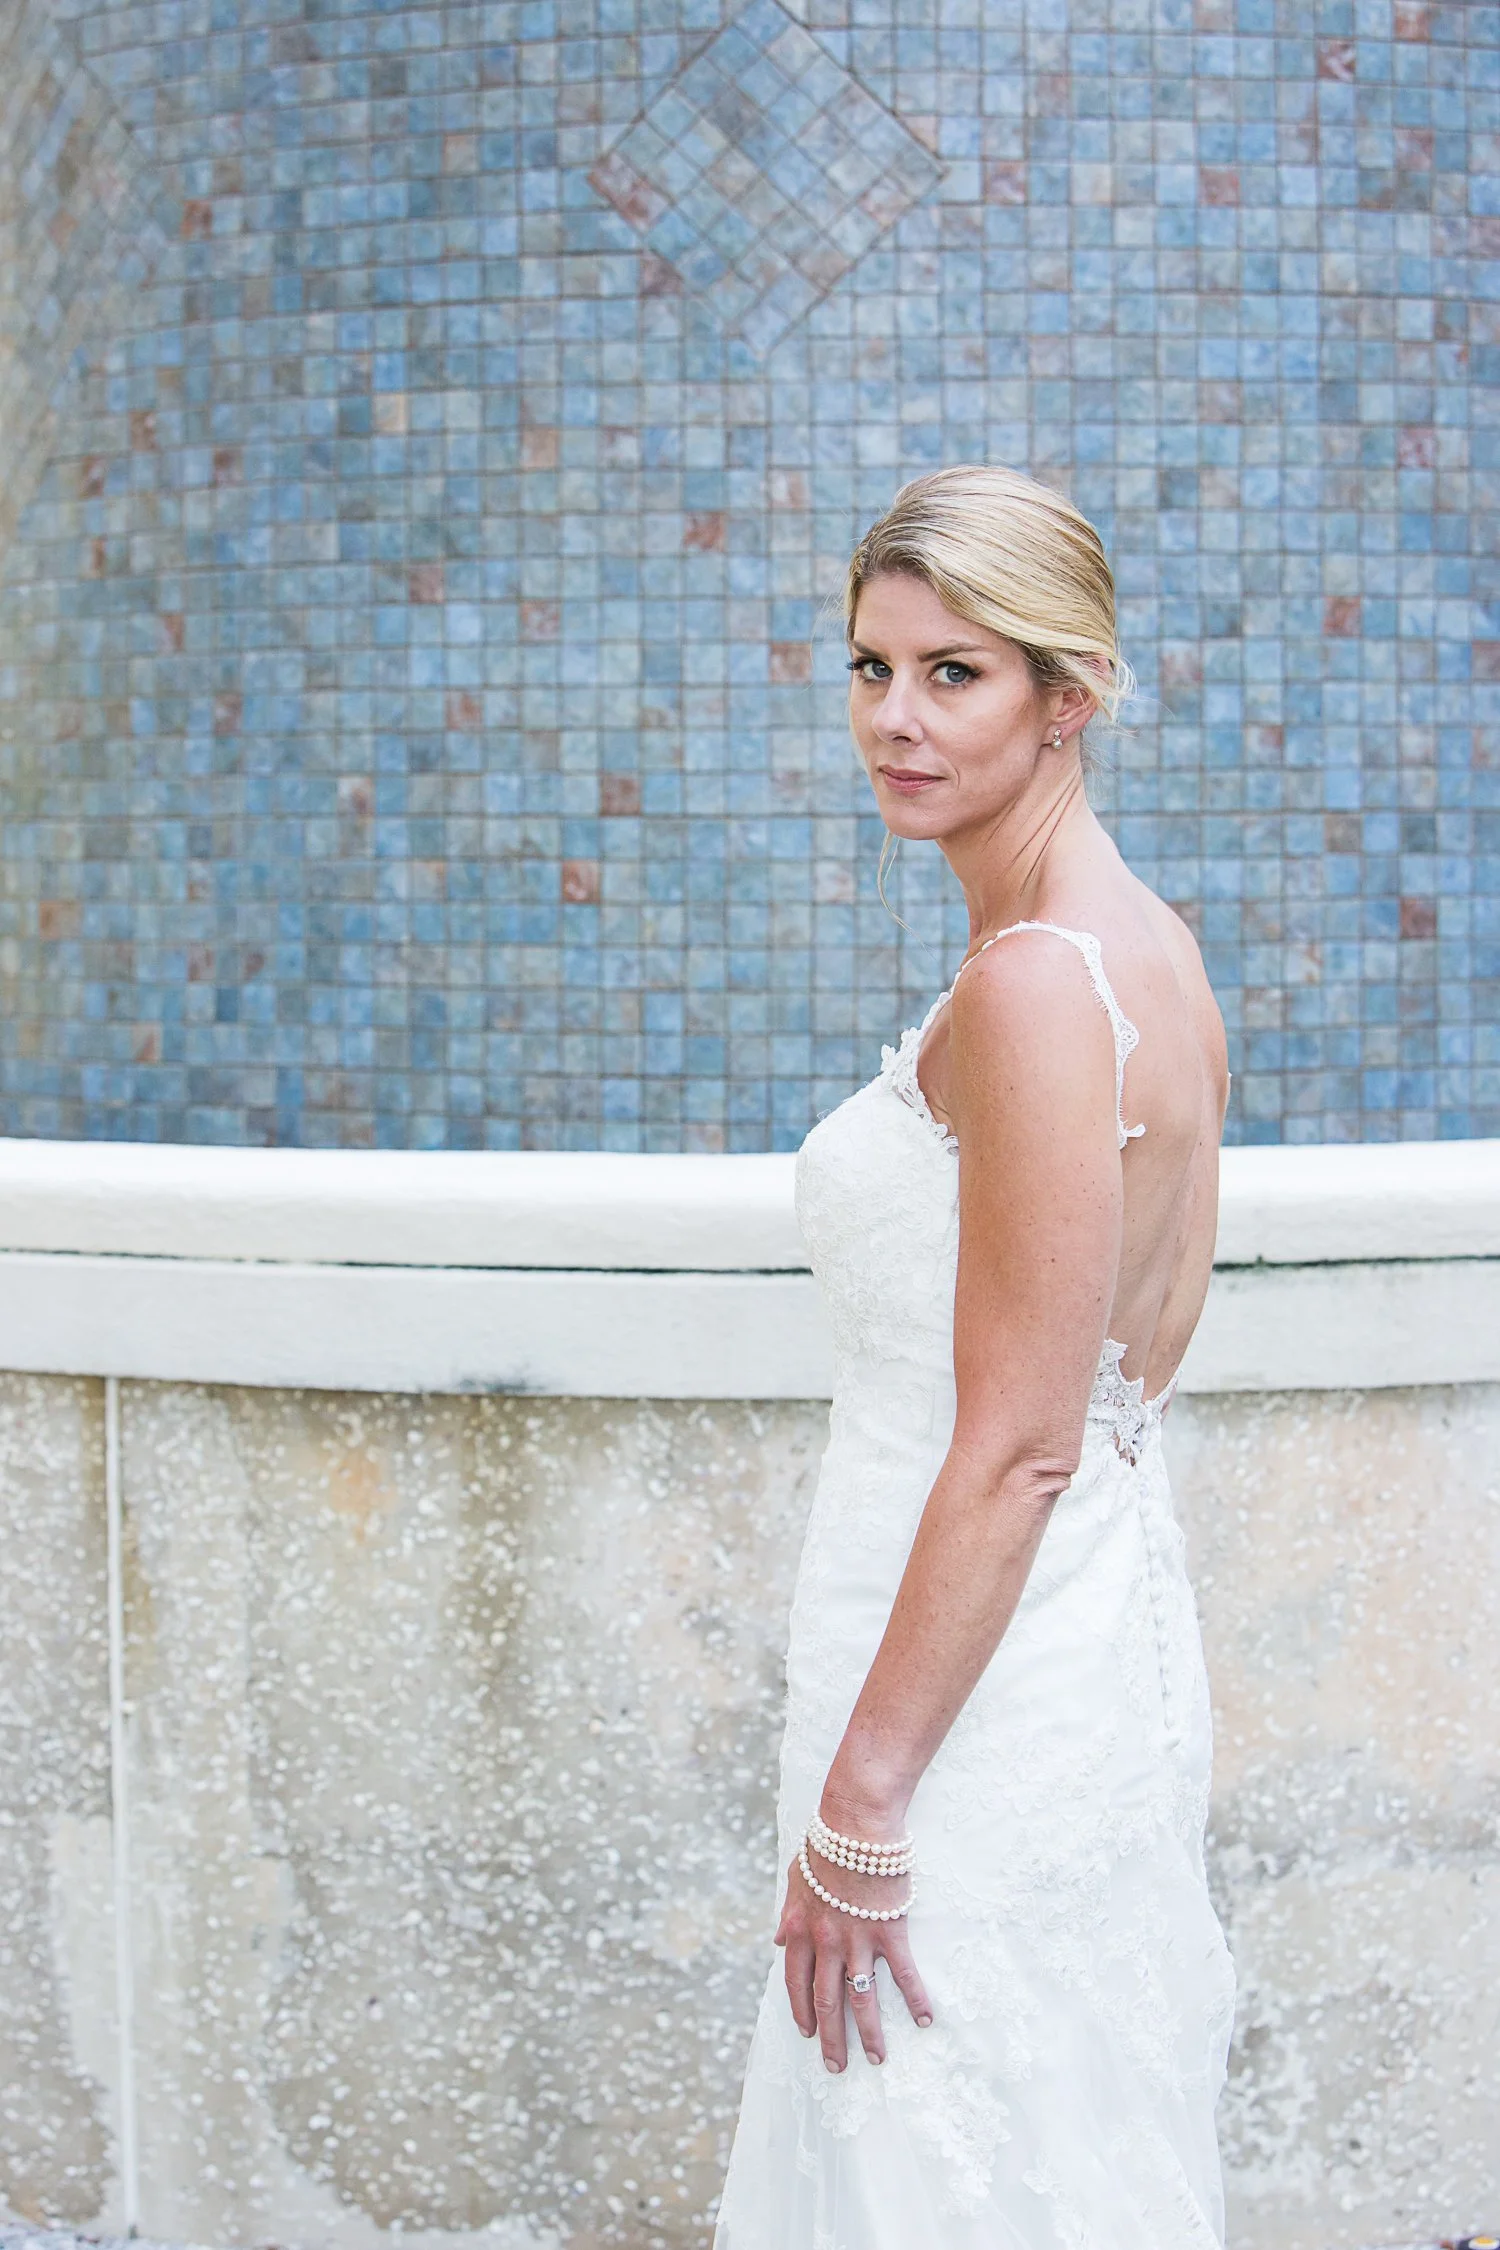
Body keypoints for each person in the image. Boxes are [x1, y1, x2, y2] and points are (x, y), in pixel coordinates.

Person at [713, 464, 1237, 2248]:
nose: (895, 720)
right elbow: (1135, 1364)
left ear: (1067, 695)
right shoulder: (1153, 951)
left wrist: (868, 1796)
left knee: (931, 2150)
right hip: (1078, 1640)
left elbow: (1023, 1442)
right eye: (871, 667)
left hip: (963, 1705)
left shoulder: (1033, 987)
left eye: (957, 673)